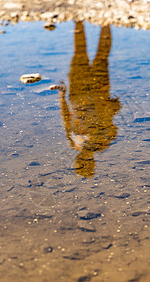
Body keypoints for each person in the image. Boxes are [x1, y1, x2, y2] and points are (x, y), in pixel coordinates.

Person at [58, 21, 121, 178]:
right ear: (93, 163)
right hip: (99, 92)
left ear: (76, 161)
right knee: (102, 56)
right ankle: (106, 21)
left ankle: (79, 19)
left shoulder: (74, 144)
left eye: (80, 163)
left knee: (79, 53)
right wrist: (110, 112)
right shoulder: (103, 144)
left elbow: (66, 119)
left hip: (76, 93)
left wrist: (61, 98)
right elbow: (114, 129)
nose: (83, 160)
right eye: (86, 164)